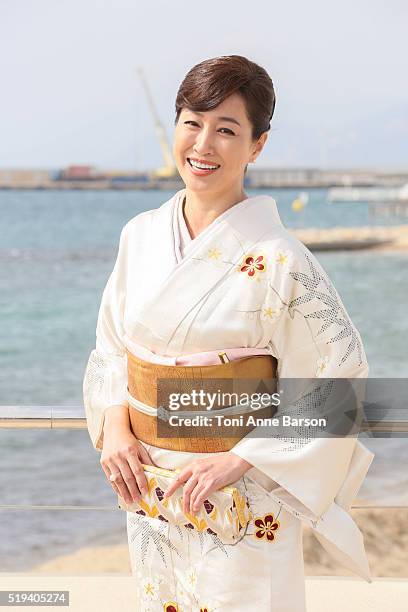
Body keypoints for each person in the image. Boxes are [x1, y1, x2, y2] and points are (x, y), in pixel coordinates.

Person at [83, 55, 374, 611]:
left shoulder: (281, 259)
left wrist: (243, 458)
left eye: (226, 130)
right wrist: (115, 424)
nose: (203, 144)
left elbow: (341, 379)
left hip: (240, 491)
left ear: (257, 145)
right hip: (150, 488)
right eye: (192, 123)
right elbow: (110, 347)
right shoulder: (139, 236)